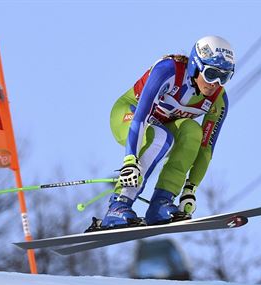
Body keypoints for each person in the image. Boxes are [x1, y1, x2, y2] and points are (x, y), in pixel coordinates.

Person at [89, 36, 236, 231]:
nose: (215, 83)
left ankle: (161, 203)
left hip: (162, 125)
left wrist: (190, 189)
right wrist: (130, 160)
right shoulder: (169, 71)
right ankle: (119, 205)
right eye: (210, 74)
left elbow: (206, 149)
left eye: (223, 77)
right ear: (195, 65)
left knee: (193, 131)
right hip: (129, 115)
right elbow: (141, 116)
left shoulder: (218, 100)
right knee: (161, 137)